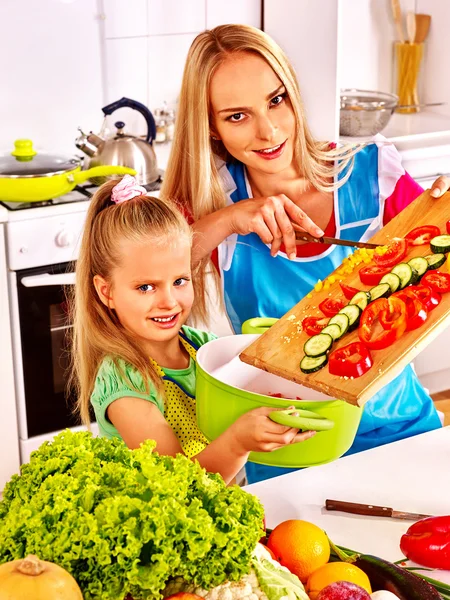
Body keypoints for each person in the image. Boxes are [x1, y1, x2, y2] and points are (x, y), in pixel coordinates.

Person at [161, 24, 450, 484]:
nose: (268, 130)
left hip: (401, 432)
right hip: (284, 452)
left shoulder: (372, 177)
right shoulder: (210, 205)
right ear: (211, 129)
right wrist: (229, 219)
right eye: (237, 116)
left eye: (276, 100)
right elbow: (146, 278)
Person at [70, 174, 315, 485]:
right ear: (107, 292)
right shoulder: (124, 378)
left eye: (179, 281)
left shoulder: (200, 346)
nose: (169, 301)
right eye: (146, 287)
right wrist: (239, 442)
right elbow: (175, 486)